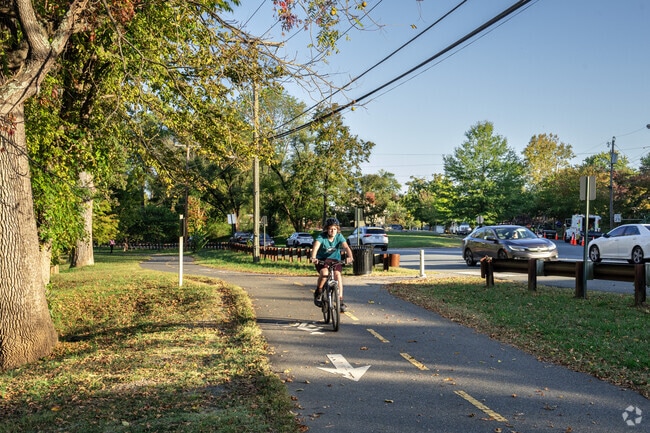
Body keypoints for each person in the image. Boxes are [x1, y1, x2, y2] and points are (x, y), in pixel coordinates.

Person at [310, 217, 354, 312]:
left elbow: (346, 247)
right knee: (325, 273)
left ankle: (340, 301)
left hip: (335, 260)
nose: (332, 231)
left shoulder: (339, 236)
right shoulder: (321, 237)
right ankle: (319, 291)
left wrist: (350, 257)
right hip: (322, 260)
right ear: (326, 229)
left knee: (338, 275)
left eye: (334, 229)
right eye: (330, 229)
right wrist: (313, 257)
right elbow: (316, 246)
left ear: (337, 229)